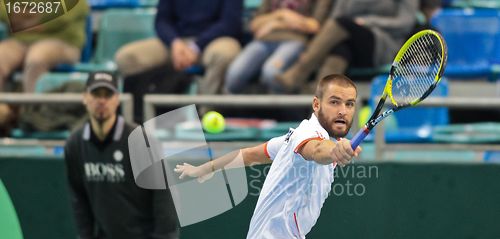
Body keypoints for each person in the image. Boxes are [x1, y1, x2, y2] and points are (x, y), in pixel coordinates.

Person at [175, 74, 361, 239]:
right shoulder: (306, 135)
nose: (343, 111)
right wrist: (335, 150)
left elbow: (251, 154)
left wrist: (206, 168)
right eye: (334, 102)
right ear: (316, 104)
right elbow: (316, 150)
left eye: (349, 104)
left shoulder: (288, 137)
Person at [64, 71, 187, 239]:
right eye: (96, 94)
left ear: (117, 99)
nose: (102, 101)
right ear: (85, 98)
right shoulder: (75, 145)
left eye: (107, 95)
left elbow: (164, 193)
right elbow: (78, 199)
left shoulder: (139, 139)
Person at [275, 0, 418, 93]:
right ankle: (319, 107)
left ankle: (297, 74)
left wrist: (366, 21)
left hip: (382, 43)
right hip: (347, 39)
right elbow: (335, 17)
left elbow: (405, 22)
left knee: (343, 24)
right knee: (340, 49)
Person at [115, 0, 242, 95]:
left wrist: (196, 46)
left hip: (213, 41)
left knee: (224, 54)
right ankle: (141, 114)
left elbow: (230, 23)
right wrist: (174, 42)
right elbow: (162, 21)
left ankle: (205, 112)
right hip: (176, 42)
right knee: (126, 57)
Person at [0, 0, 89, 131]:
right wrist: (18, 16)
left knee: (35, 60)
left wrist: (32, 20)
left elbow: (74, 7)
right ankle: (2, 114)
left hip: (62, 41)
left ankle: (31, 118)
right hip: (19, 40)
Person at [224, 0, 332, 94]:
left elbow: (314, 26)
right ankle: (252, 108)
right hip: (263, 40)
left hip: (294, 40)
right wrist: (280, 14)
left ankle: (292, 110)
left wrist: (275, 24)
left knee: (270, 72)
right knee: (234, 76)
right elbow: (255, 24)